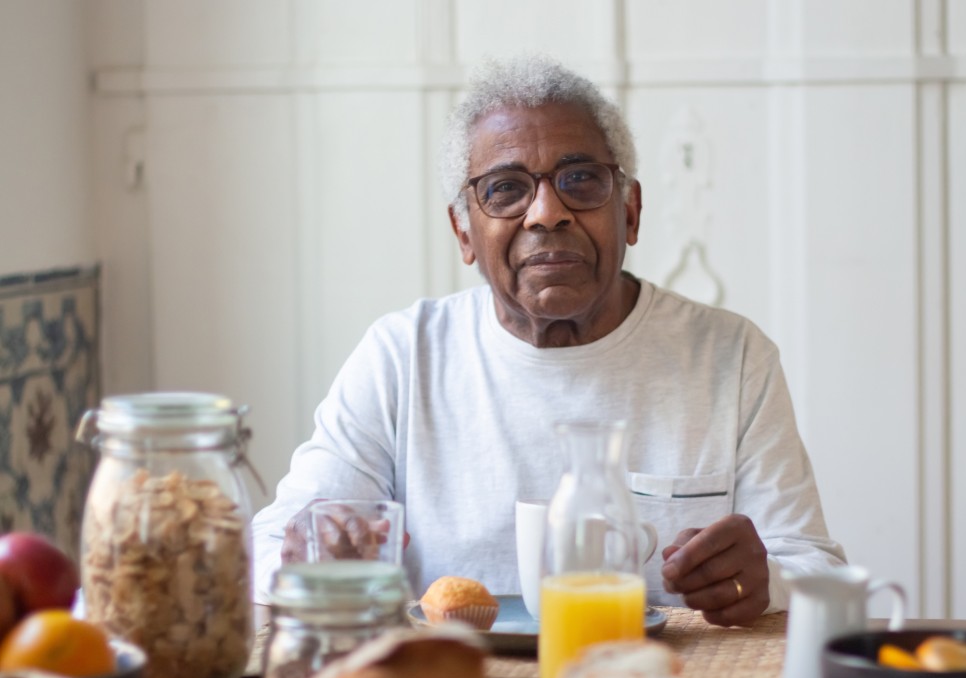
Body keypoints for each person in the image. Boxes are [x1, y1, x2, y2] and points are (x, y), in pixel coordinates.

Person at [251, 55, 845, 628]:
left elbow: (818, 569)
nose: (545, 213)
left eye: (580, 179)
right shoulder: (402, 357)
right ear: (464, 231)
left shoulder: (732, 357)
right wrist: (311, 560)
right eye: (506, 189)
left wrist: (769, 579)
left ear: (631, 212)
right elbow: (272, 545)